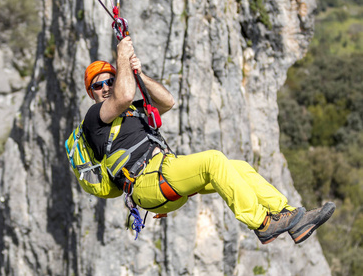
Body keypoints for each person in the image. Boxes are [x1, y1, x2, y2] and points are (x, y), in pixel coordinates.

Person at [82, 36, 335, 244]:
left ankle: (289, 216)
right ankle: (263, 223)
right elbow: (123, 95)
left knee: (240, 168)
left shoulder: (133, 110)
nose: (105, 87)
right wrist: (122, 56)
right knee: (214, 160)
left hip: (164, 171)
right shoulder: (95, 118)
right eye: (98, 85)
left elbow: (167, 102)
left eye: (110, 81)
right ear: (92, 93)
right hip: (146, 181)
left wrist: (139, 74)